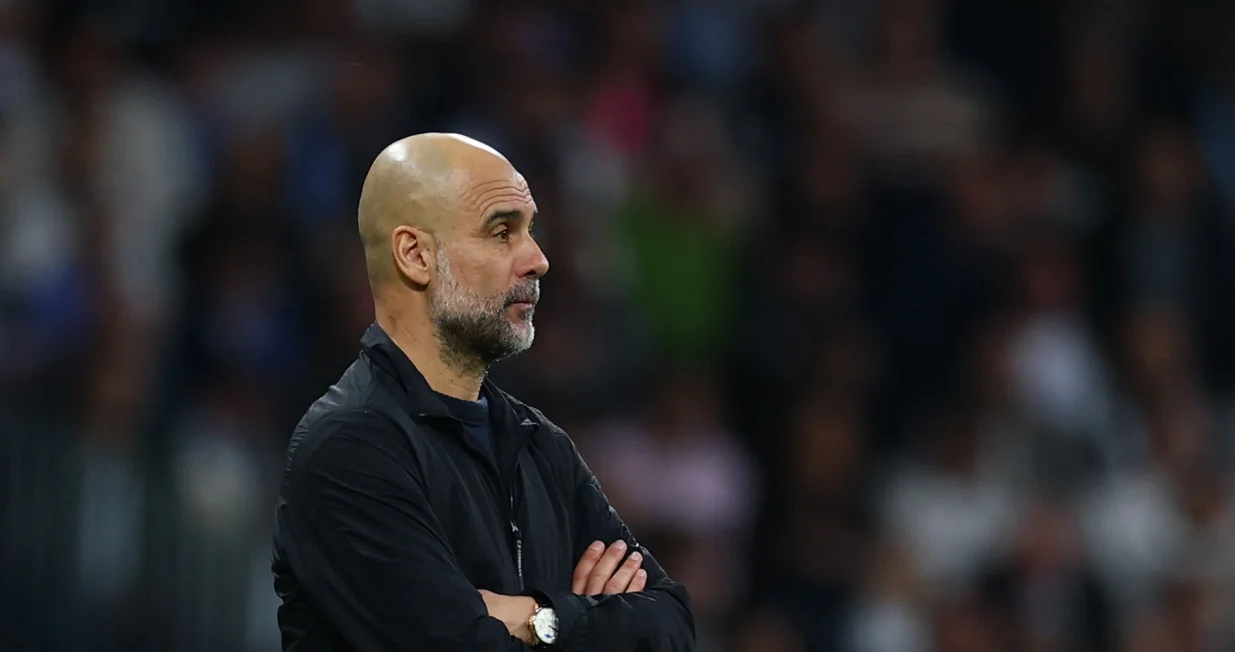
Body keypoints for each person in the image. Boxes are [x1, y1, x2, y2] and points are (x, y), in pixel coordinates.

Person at [271, 133, 696, 651]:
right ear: (415, 255)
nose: (538, 259)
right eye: (502, 232)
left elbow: (671, 624)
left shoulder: (537, 442)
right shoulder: (350, 448)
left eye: (530, 230)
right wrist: (591, 620)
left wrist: (536, 617)